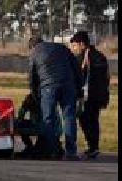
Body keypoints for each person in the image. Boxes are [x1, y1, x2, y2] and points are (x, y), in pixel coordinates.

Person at [28, 36, 83, 160]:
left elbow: (32, 78)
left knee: (48, 119)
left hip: (48, 87)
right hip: (68, 85)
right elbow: (77, 69)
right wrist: (79, 92)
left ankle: (53, 151)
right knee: (69, 116)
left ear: (31, 46)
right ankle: (71, 152)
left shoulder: (34, 53)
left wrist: (35, 96)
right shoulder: (62, 48)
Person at [70, 31, 110, 160]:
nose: (74, 49)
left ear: (82, 44)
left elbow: (80, 75)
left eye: (75, 45)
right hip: (99, 95)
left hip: (89, 95)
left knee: (85, 120)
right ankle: (93, 147)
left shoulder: (83, 57)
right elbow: (107, 77)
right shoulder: (100, 56)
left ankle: (93, 147)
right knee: (93, 120)